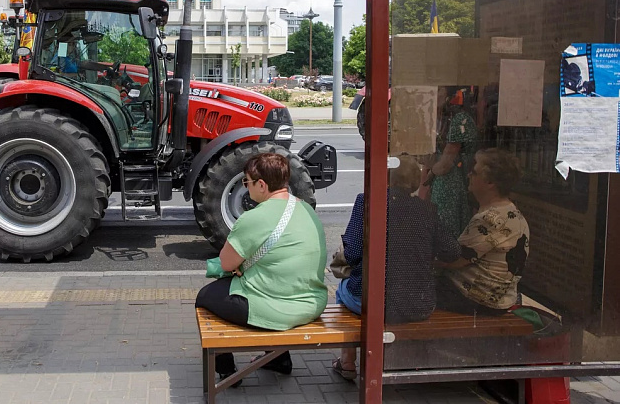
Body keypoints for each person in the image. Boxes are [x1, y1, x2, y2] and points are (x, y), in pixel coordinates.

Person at [195, 153, 328, 384]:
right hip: (312, 304)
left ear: (262, 185)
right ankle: (278, 360)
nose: (246, 187)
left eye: (247, 182)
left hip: (276, 309)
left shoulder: (253, 218)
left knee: (205, 297)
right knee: (271, 282)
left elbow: (226, 263)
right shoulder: (307, 210)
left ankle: (227, 373)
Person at [332, 156, 460, 380]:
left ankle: (347, 362)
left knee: (342, 289)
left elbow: (352, 254)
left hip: (371, 301)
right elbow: (452, 250)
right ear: (413, 181)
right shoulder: (426, 209)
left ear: (385, 176)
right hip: (418, 303)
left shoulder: (367, 202)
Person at [436, 148, 529, 315]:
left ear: (490, 182)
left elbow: (453, 258)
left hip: (473, 298)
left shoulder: (489, 219)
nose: (468, 175)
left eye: (474, 172)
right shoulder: (511, 212)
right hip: (499, 299)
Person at [423, 86, 478, 239]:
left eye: (438, 89)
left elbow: (446, 163)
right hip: (443, 176)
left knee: (446, 227)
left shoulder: (458, 119)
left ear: (448, 93)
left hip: (455, 178)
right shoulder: (440, 117)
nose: (432, 94)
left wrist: (431, 173)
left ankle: (447, 254)